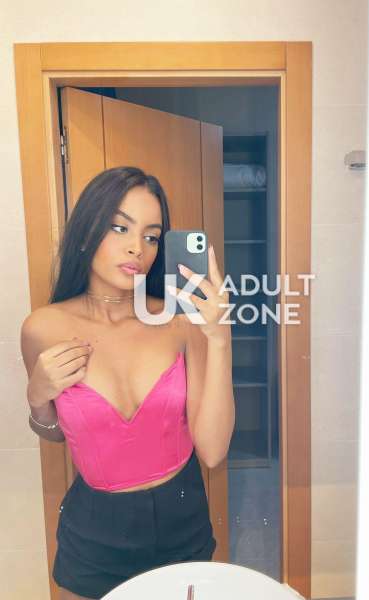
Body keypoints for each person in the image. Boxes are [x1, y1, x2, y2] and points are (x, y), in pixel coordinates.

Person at [20, 166, 235, 600]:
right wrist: (38, 398)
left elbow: (213, 451)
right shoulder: (42, 328)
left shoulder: (179, 322)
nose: (138, 247)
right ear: (86, 233)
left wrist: (219, 338)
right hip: (93, 532)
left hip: (182, 519)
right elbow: (58, 433)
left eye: (152, 236)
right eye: (120, 228)